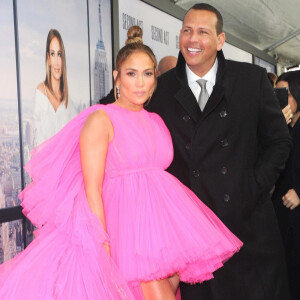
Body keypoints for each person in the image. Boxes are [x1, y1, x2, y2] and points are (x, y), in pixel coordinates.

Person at [0, 26, 243, 300]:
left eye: (147, 74)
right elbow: (92, 187)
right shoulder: (101, 119)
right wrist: (101, 242)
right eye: (131, 73)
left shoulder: (156, 121)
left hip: (159, 237)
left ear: (155, 79)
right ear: (117, 77)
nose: (140, 83)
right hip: (121, 235)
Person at [147, 3, 292, 300]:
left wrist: (254, 187)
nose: (192, 39)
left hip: (247, 229)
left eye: (202, 31)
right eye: (187, 30)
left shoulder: (250, 80)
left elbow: (279, 141)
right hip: (192, 236)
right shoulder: (160, 90)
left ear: (220, 40)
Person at [272, 70, 300, 300]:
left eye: (286, 93)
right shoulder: (279, 128)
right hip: (281, 220)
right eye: (276, 93)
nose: (281, 98)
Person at [33, 28, 77, 146]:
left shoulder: (68, 102)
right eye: (53, 54)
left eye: (59, 54)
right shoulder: (41, 92)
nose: (57, 62)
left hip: (66, 163)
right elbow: (36, 140)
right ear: (48, 58)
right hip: (45, 163)